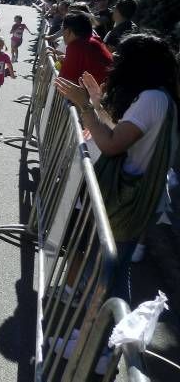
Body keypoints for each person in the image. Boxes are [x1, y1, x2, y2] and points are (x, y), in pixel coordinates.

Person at [55, 33, 179, 303]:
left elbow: (112, 144)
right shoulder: (159, 97)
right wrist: (97, 102)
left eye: (120, 57)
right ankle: (97, 339)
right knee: (113, 268)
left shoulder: (151, 99)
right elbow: (118, 132)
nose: (114, 61)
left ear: (139, 63)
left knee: (111, 270)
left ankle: (104, 342)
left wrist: (85, 106)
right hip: (132, 199)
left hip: (127, 200)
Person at [55, 11, 113, 86]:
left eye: (62, 30)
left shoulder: (75, 47)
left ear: (68, 31)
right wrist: (66, 60)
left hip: (97, 95)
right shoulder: (95, 40)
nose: (62, 34)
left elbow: (64, 82)